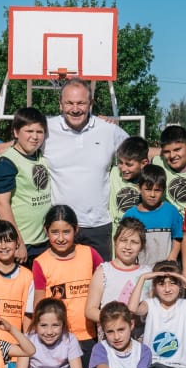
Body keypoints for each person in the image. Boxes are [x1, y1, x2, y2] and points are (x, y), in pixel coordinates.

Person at [46, 80, 129, 259]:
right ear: (60, 104)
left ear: (91, 103)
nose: (75, 109)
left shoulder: (108, 130)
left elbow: (138, 151)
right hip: (61, 227)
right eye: (69, 103)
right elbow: (17, 149)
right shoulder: (46, 130)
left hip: (98, 226)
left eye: (81, 103)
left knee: (100, 282)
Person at [31, 205, 104, 349]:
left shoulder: (90, 254)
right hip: (58, 339)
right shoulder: (40, 263)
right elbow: (38, 306)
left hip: (90, 336)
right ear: (46, 231)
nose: (61, 238)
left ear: (76, 230)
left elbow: (107, 283)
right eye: (55, 232)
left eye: (66, 232)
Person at [0, 107, 54, 259]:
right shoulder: (7, 162)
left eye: (39, 132)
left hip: (44, 241)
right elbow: (1, 204)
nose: (35, 137)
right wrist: (17, 242)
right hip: (23, 244)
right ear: (15, 133)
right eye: (29, 131)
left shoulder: (42, 156)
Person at [85, 217, 150, 326]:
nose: (128, 246)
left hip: (139, 338)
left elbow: (152, 305)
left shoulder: (147, 273)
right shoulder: (104, 271)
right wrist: (116, 323)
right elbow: (90, 310)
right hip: (109, 337)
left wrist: (141, 310)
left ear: (141, 246)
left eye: (134, 242)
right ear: (115, 241)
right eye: (123, 240)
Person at [123, 165, 183, 265]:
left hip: (165, 269)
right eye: (148, 189)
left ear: (163, 190)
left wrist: (172, 257)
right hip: (140, 269)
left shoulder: (171, 211)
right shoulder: (130, 215)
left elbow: (178, 236)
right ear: (139, 187)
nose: (152, 195)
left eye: (157, 190)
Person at [156, 125, 186, 216]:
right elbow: (139, 152)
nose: (172, 155)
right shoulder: (158, 162)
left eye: (177, 149)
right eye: (167, 151)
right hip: (169, 226)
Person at [106, 135, 150, 233]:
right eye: (121, 162)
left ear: (143, 163)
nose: (123, 169)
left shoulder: (150, 182)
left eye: (129, 165)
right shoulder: (114, 173)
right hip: (116, 242)